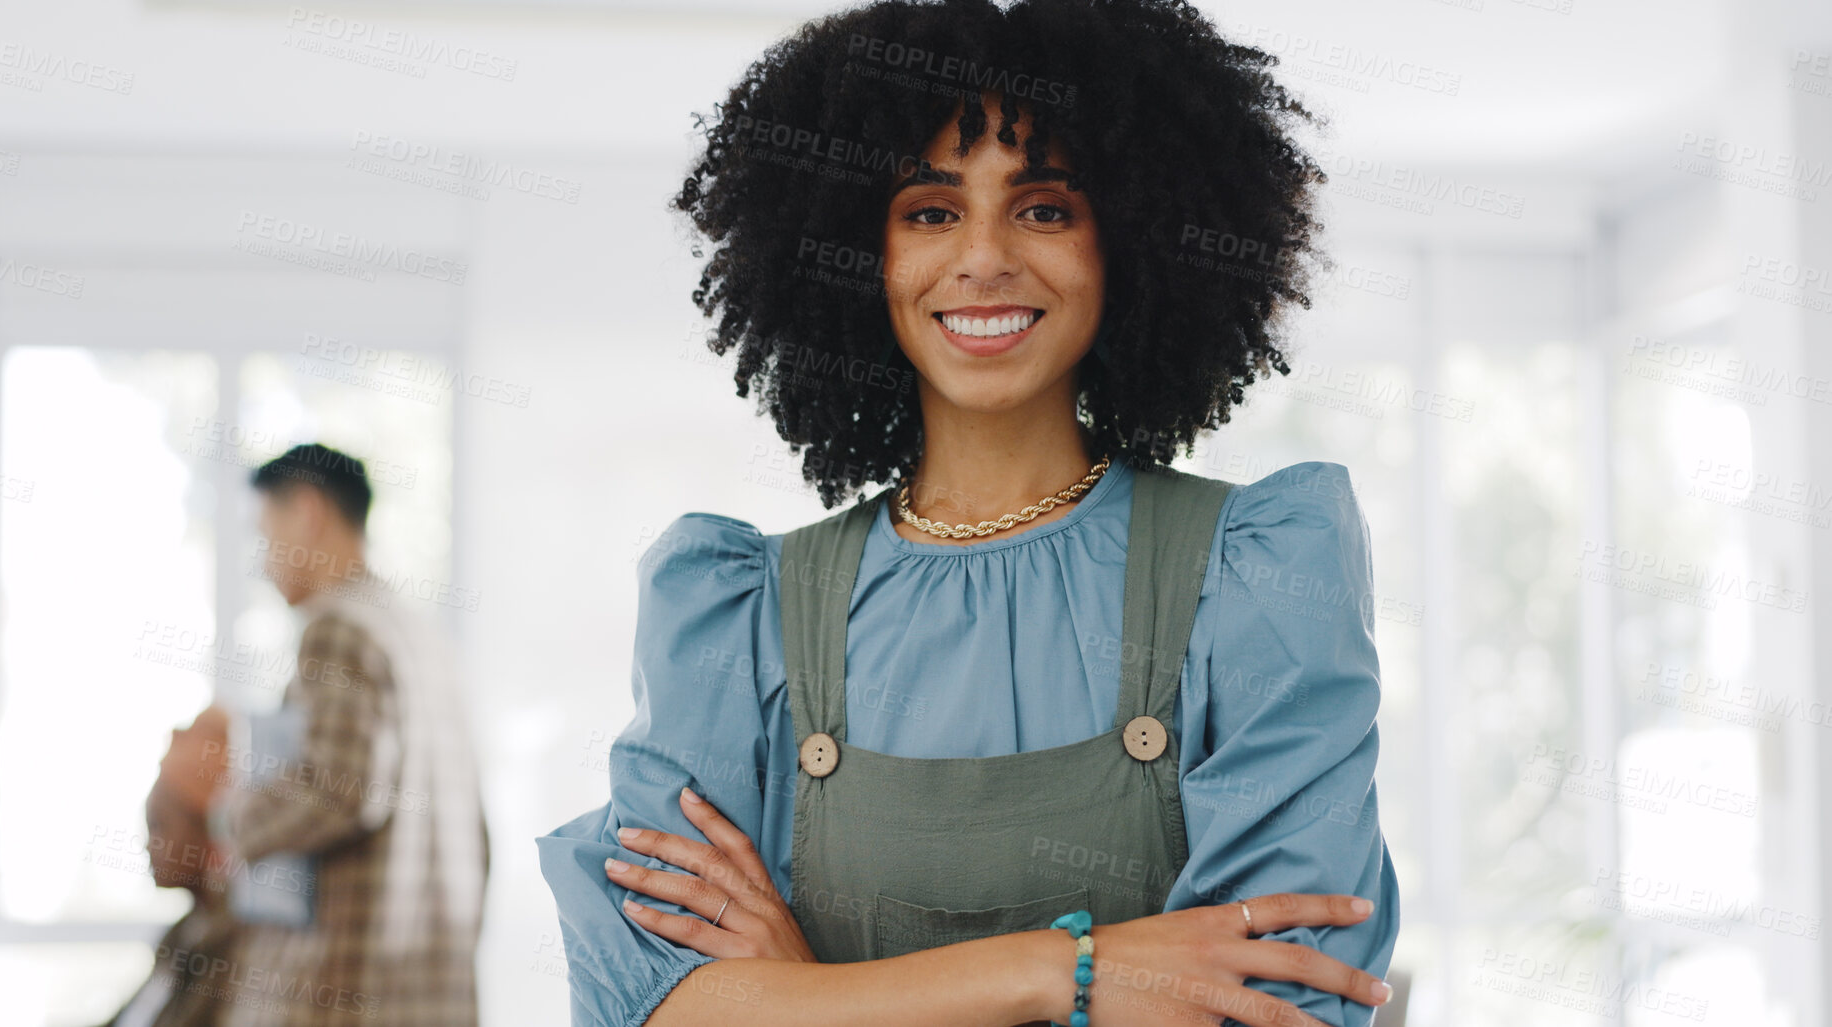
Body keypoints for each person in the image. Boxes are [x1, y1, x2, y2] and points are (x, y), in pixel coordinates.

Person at [537, 2, 1400, 1025]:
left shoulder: (1252, 579)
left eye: (1044, 209)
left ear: (1128, 239)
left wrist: (807, 995)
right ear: (860, 252)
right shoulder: (737, 612)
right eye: (931, 212)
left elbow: (1286, 1005)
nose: (984, 258)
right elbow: (645, 1005)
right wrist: (1067, 971)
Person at [200, 443, 490, 1026]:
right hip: (430, 990)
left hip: (349, 987)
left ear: (308, 512)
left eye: (265, 532)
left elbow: (339, 792)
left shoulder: (337, 628)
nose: (263, 561)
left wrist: (230, 819)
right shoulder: (421, 635)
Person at [98, 707, 241, 1027]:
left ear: (207, 829)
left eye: (159, 825)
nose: (147, 844)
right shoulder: (181, 935)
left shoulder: (231, 943)